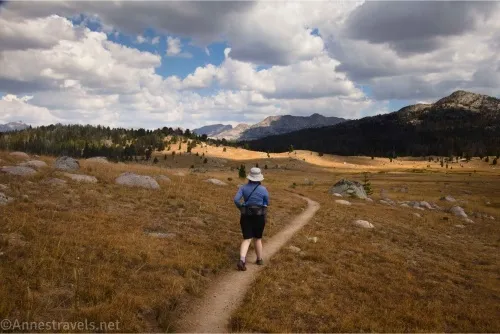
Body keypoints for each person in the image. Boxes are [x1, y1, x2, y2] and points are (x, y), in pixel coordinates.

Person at [233, 167, 269, 271]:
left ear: (250, 177)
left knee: (247, 238)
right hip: (259, 216)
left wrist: (241, 208)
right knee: (257, 238)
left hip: (246, 215)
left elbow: (236, 200)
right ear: (259, 178)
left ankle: (242, 260)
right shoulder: (263, 189)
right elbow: (267, 202)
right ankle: (259, 259)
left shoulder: (243, 188)